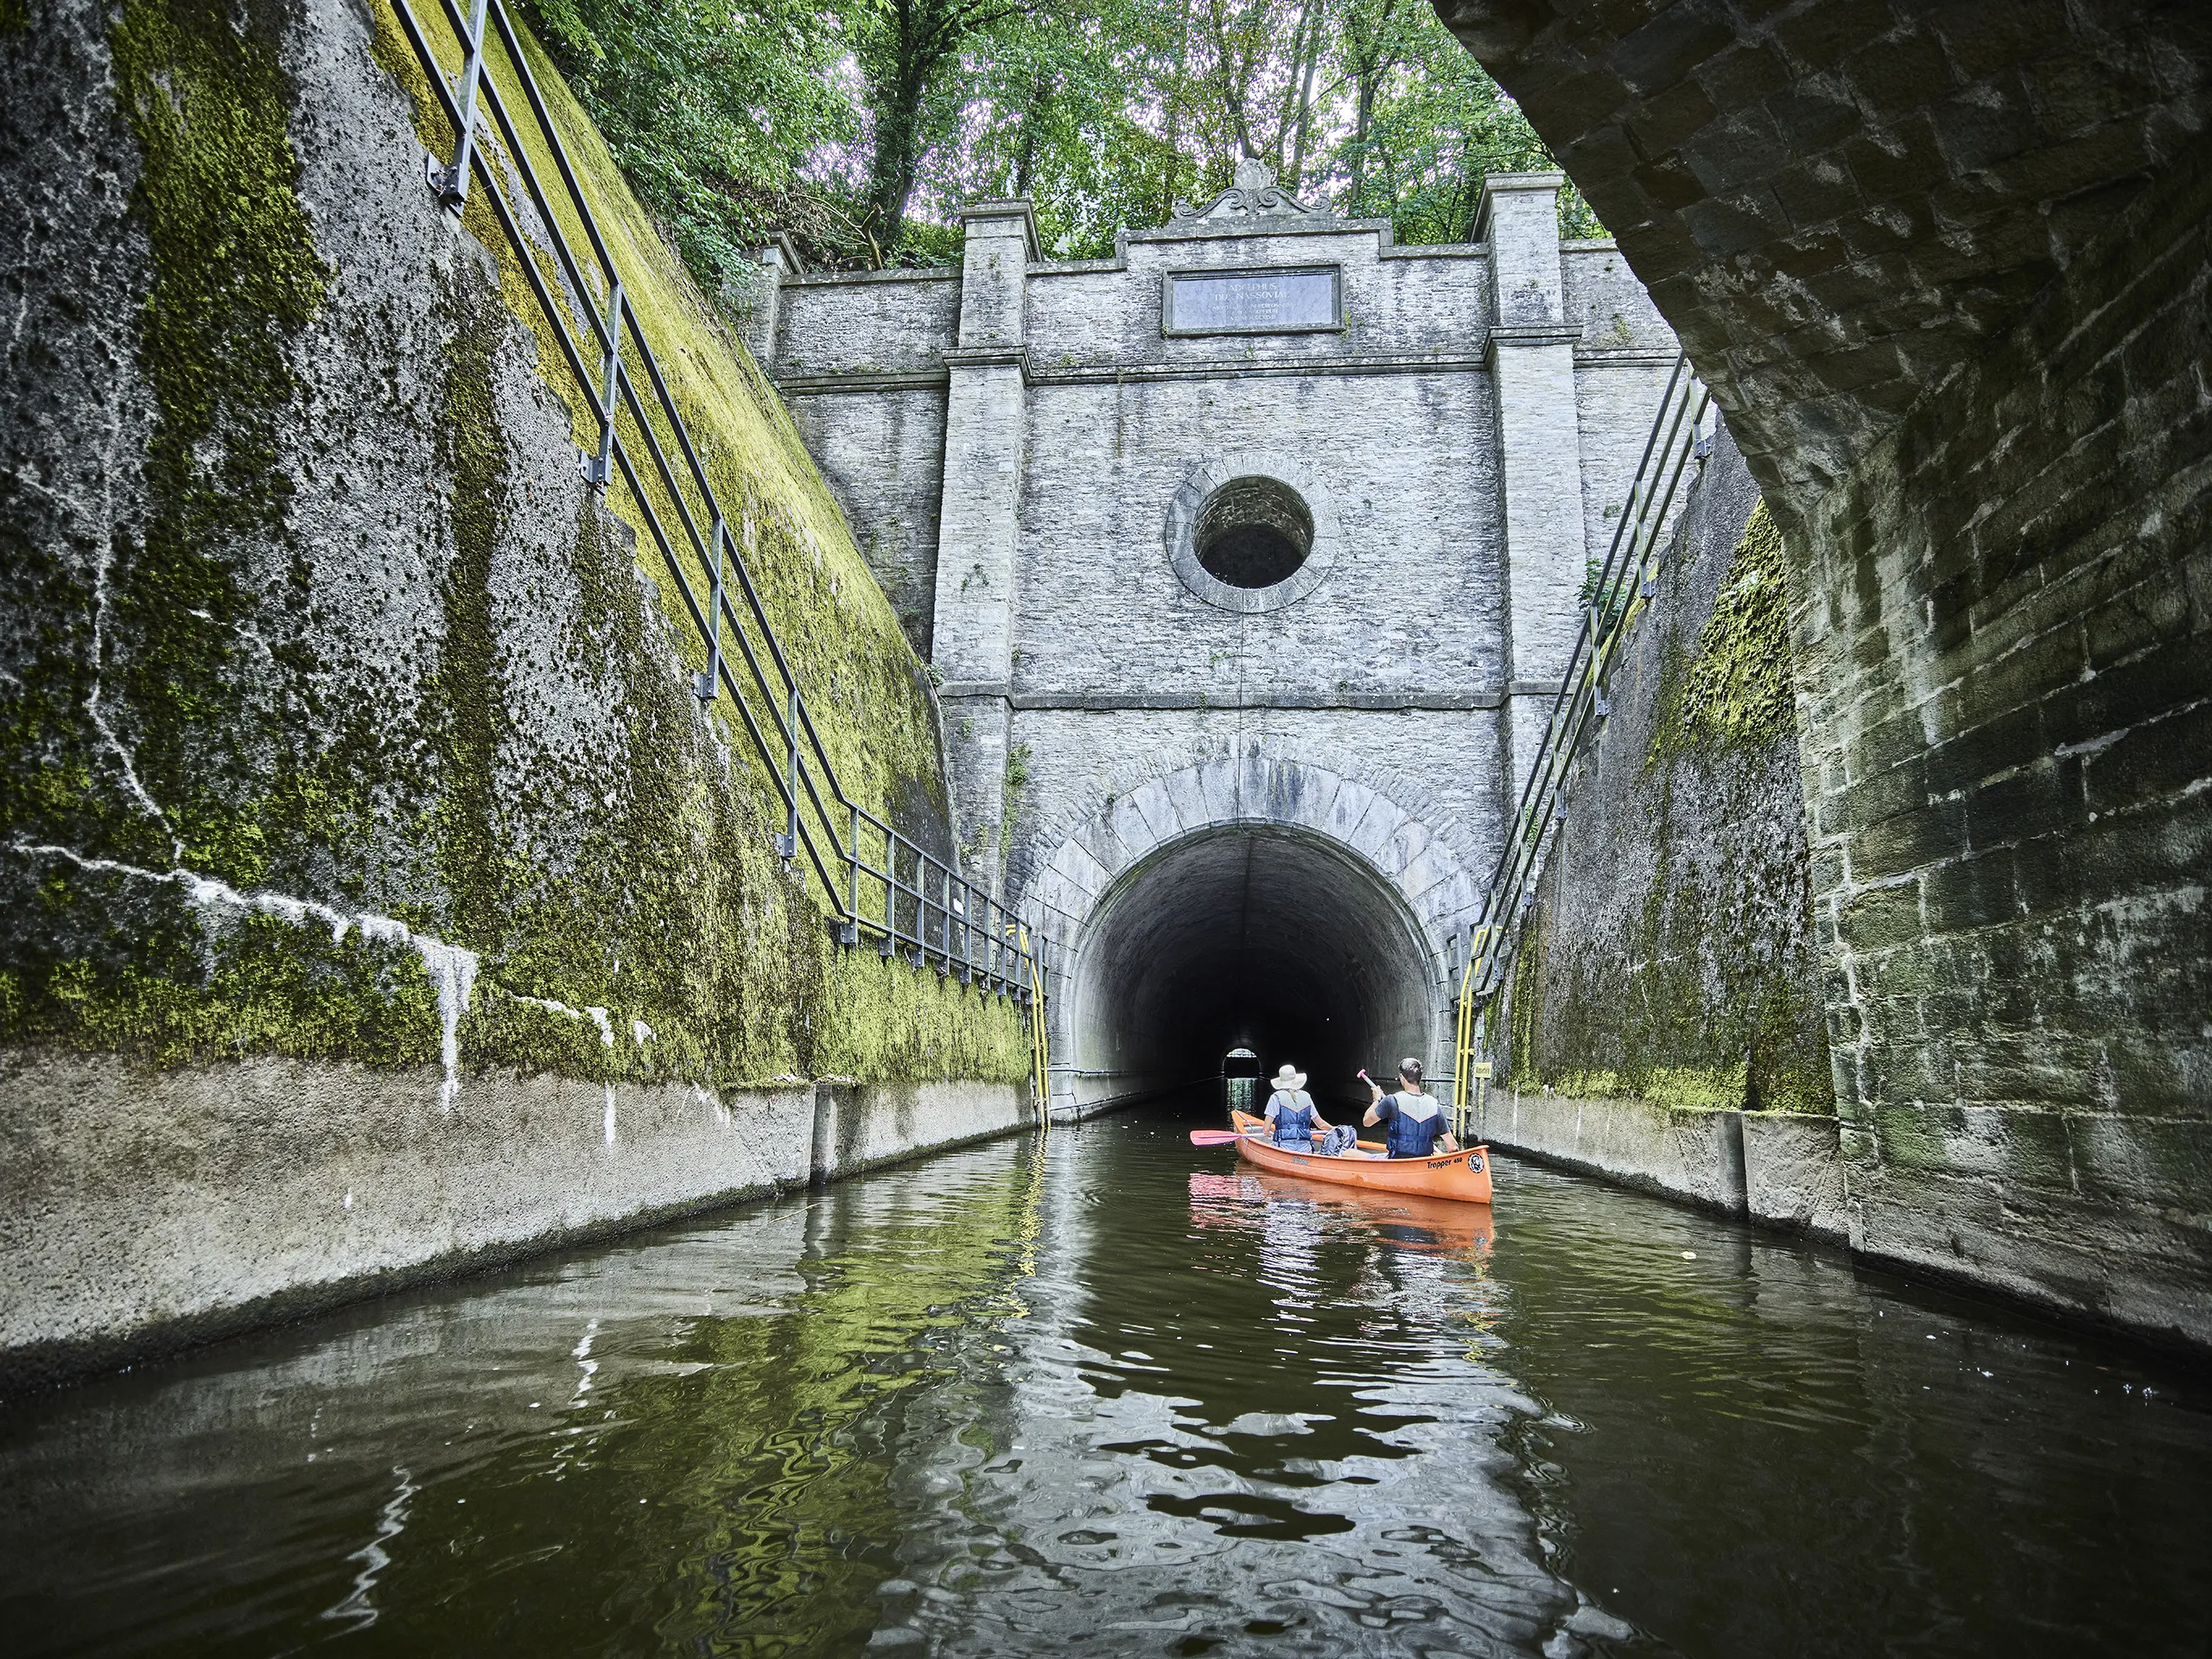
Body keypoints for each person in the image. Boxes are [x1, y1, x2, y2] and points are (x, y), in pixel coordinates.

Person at [1363, 1058, 1459, 1159]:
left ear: (1401, 1077)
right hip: (1423, 1162)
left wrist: (1376, 1099)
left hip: (1397, 1161)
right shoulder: (1434, 1106)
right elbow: (1453, 1147)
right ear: (1420, 1078)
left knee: (1353, 1153)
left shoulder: (1392, 1101)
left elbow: (1367, 1122)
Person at [1262, 1064, 1334, 1152]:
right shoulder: (1307, 1096)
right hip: (1305, 1148)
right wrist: (1334, 1129)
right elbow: (1321, 1124)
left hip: (1283, 1147)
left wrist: (1267, 1133)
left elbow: (1266, 1129)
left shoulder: (1275, 1097)